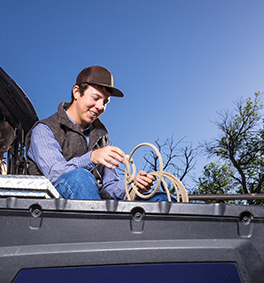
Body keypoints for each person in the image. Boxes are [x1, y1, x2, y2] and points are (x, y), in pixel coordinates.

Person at [27, 65, 165, 200]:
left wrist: (133, 186)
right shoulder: (44, 130)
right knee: (80, 178)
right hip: (54, 208)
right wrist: (91, 158)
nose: (100, 107)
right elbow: (54, 173)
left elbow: (110, 186)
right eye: (95, 98)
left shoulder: (102, 139)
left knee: (162, 200)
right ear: (76, 92)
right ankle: (100, 223)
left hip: (97, 204)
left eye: (105, 102)